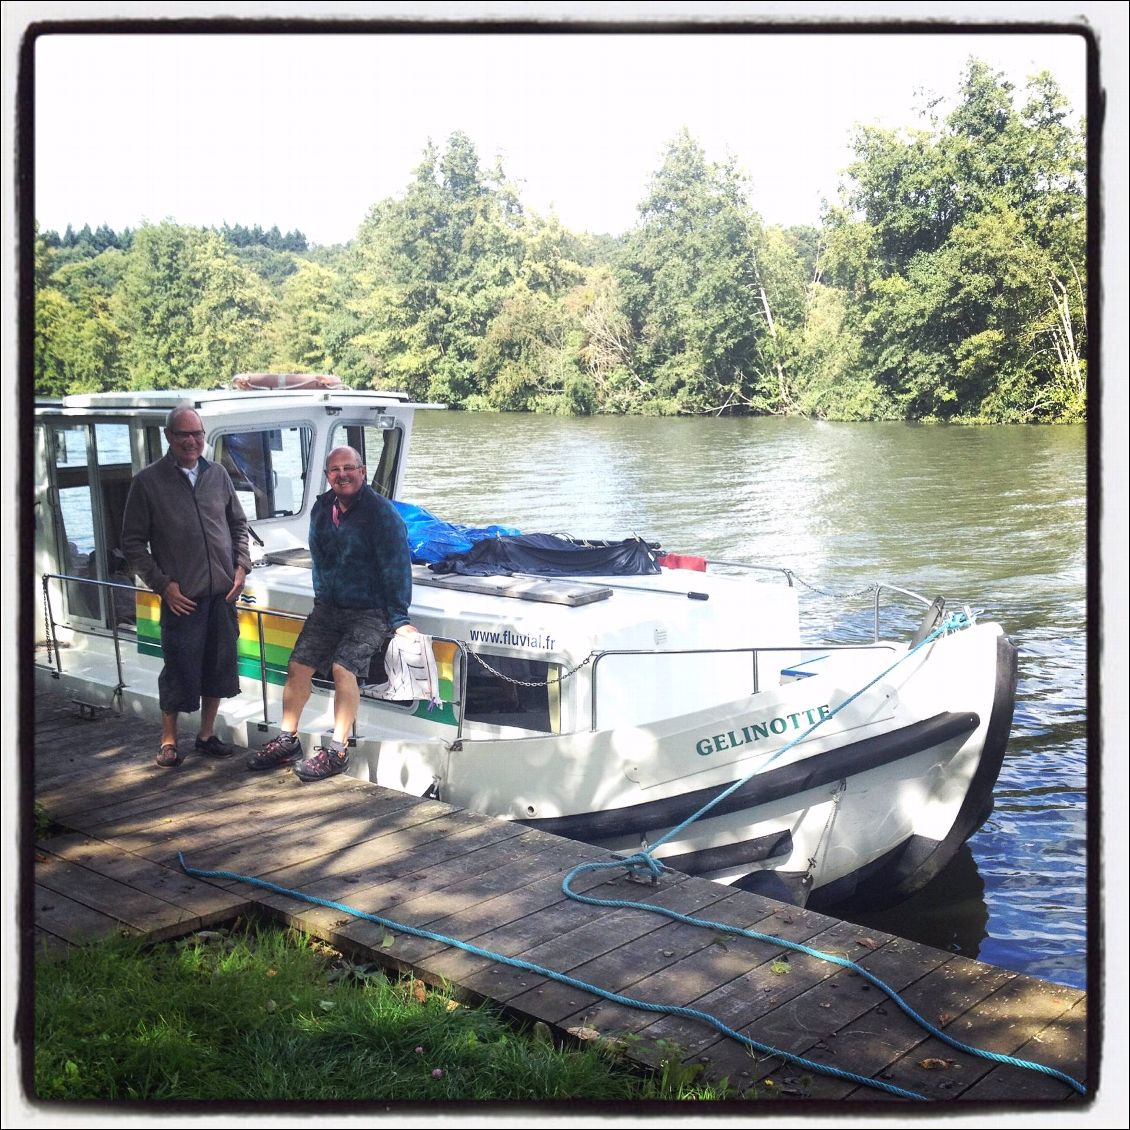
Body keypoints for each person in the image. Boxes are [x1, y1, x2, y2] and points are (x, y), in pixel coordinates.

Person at [248, 445, 416, 782]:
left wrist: (399, 619)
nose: (342, 475)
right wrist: (323, 597)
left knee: (343, 669)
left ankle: (337, 750)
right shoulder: (322, 508)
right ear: (327, 476)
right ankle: (287, 740)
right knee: (298, 666)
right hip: (329, 607)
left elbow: (397, 567)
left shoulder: (382, 515)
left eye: (349, 468)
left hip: (370, 610)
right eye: (335, 470)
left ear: (362, 472)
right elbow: (320, 557)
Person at [122, 405, 251, 768]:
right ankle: (168, 741)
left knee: (219, 667)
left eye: (197, 434)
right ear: (169, 437)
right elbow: (132, 543)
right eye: (184, 434)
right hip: (183, 599)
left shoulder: (218, 475)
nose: (192, 441)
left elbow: (238, 525)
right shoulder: (148, 482)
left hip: (222, 595)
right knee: (178, 668)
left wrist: (241, 566)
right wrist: (163, 586)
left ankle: (206, 735)